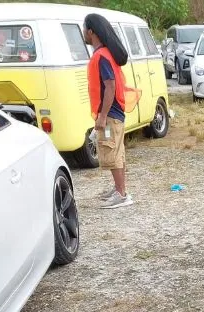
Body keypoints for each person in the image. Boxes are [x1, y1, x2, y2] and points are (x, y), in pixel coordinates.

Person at [83, 13, 140, 209]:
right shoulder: (107, 54)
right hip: (115, 114)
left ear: (91, 31)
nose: (83, 32)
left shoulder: (101, 56)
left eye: (84, 29)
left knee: (111, 152)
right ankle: (119, 189)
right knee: (117, 151)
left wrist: (102, 116)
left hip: (110, 115)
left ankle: (122, 195)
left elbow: (110, 86)